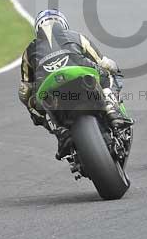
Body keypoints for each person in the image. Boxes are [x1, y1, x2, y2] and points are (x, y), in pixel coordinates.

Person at [18, 9, 131, 157]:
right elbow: (103, 62)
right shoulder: (77, 36)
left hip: (48, 85)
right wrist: (115, 69)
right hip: (79, 72)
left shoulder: (28, 51)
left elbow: (25, 87)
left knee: (32, 101)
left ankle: (59, 131)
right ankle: (112, 109)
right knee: (107, 75)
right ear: (63, 23)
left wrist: (34, 110)